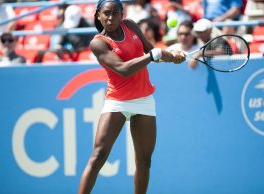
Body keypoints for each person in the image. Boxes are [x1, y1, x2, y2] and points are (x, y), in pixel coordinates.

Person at [78, 0, 185, 194]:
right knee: (98, 155)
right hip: (117, 101)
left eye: (115, 13)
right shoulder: (98, 43)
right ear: (98, 15)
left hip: (144, 99)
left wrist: (171, 56)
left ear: (122, 14)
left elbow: (150, 50)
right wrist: (155, 55)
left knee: (144, 161)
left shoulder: (130, 26)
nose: (110, 18)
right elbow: (123, 69)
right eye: (106, 13)